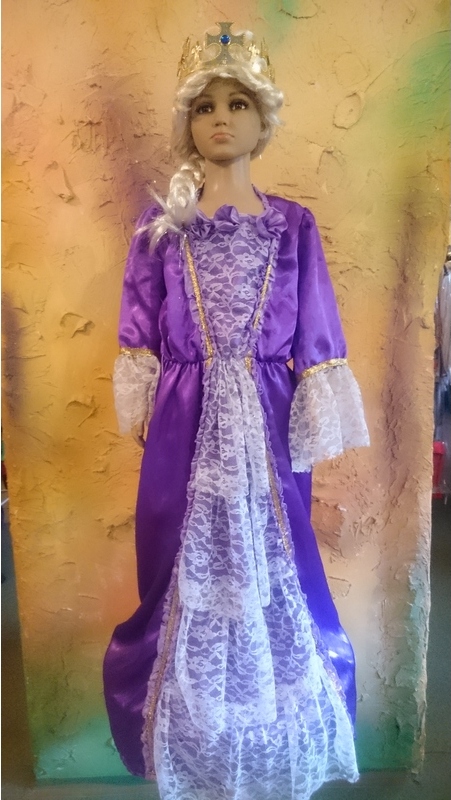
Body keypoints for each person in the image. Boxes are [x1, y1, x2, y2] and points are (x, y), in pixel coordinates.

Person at [103, 22, 370, 800]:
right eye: (205, 106)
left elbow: (315, 327)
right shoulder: (161, 228)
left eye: (238, 103)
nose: (221, 118)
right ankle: (194, 749)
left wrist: (311, 413)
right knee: (177, 572)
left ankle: (269, 745)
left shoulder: (293, 226)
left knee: (279, 566)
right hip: (183, 425)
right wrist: (147, 400)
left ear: (263, 118)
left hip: (268, 422)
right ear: (186, 121)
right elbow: (138, 329)